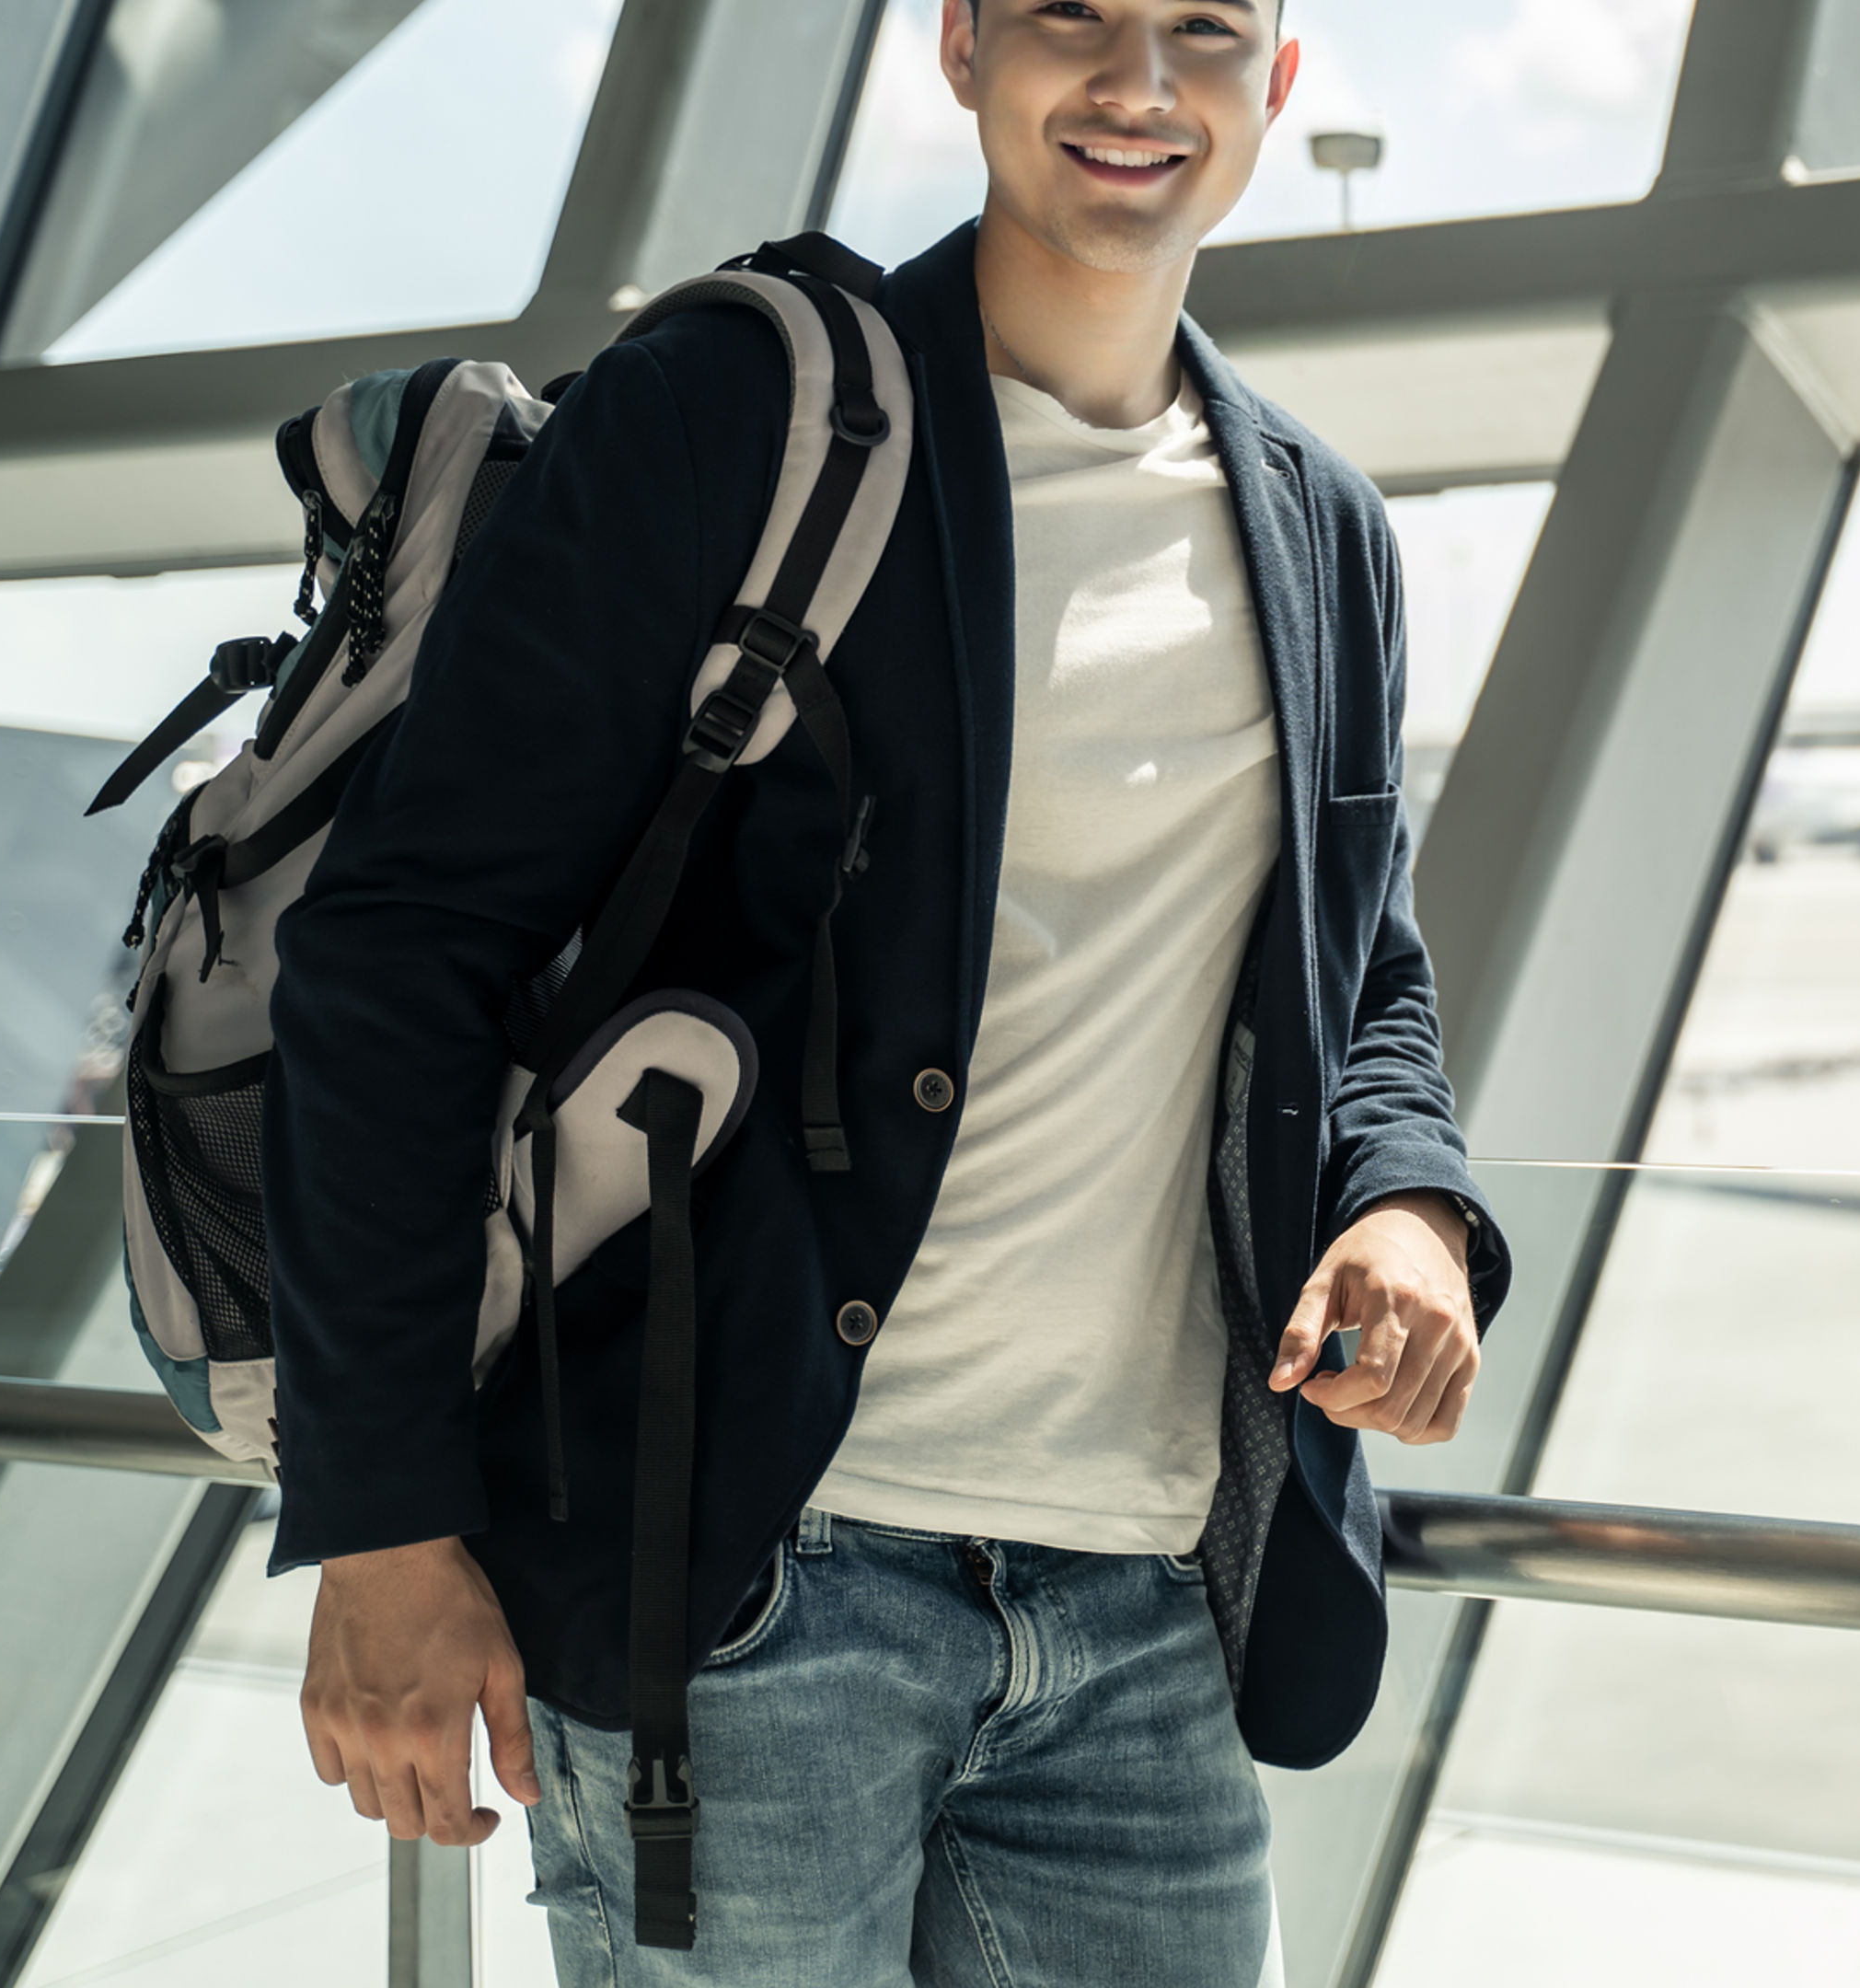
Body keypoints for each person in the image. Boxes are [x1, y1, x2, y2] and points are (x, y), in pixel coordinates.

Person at [265, 1, 1506, 1979]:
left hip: (1142, 1602)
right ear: (956, 47)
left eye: (1202, 30)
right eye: (1071, 21)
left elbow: (1367, 984)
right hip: (750, 1578)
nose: (1136, 85)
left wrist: (1413, 1209)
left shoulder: (1318, 528)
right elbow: (400, 953)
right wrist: (386, 1524)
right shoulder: (729, 418)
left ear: (1279, 83)